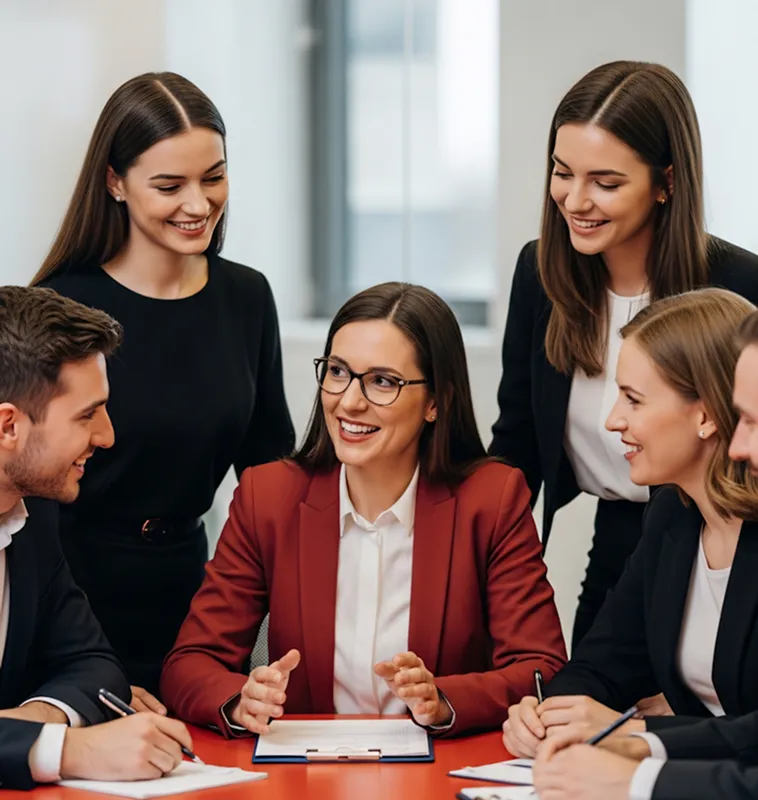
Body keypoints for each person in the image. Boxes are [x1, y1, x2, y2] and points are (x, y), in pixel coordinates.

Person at [161, 282, 567, 737]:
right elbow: (189, 663)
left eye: (382, 382)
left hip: (441, 773)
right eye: (338, 372)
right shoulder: (269, 496)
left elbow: (542, 667)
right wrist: (240, 699)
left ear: (436, 402)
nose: (349, 401)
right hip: (306, 776)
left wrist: (444, 700)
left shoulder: (490, 500)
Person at [30, 72, 295, 700]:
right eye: (170, 186)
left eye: (214, 177)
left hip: (197, 599)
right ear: (115, 182)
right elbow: (32, 494)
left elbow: (270, 472)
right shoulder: (62, 306)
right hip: (76, 598)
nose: (199, 204)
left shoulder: (245, 297)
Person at [489, 60, 758, 649]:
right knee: (579, 706)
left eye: (606, 183)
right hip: (615, 540)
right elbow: (518, 441)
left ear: (667, 181)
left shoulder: (742, 287)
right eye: (563, 173)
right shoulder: (539, 276)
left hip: (728, 544)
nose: (575, 200)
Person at [503, 289, 758, 760]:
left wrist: (643, 736)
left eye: (633, 400)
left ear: (705, 414)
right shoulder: (671, 517)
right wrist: (545, 714)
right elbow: (603, 666)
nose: (612, 421)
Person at [0, 286, 193, 790]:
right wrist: (69, 748)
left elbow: (93, 665)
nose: (107, 436)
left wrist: (26, 723)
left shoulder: (33, 519)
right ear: (7, 426)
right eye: (87, 414)